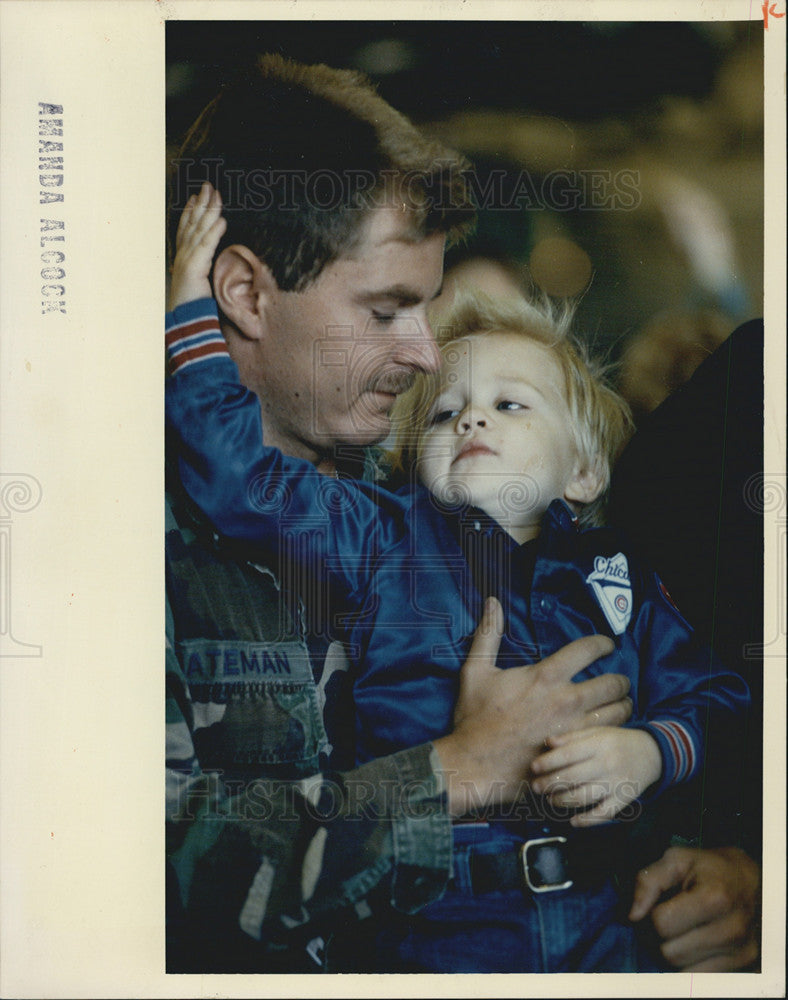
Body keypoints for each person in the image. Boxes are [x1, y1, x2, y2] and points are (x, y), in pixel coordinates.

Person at [165, 186, 749, 971]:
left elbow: (717, 699)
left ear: (582, 470)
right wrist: (191, 318)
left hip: (610, 919)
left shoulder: (620, 574)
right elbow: (238, 478)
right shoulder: (378, 531)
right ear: (413, 459)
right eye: (444, 413)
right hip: (438, 927)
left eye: (511, 405)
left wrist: (650, 751)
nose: (473, 420)